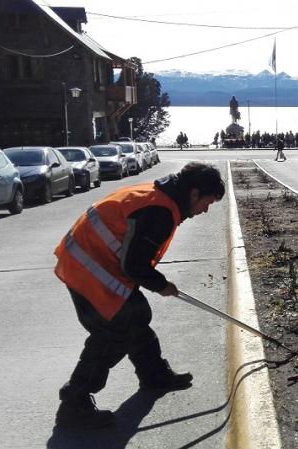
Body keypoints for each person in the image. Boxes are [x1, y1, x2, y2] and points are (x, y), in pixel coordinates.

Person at [52, 162, 226, 429]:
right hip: (86, 267)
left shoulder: (161, 197)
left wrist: (155, 283)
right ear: (194, 193)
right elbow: (134, 266)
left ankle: (154, 375)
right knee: (115, 330)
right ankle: (74, 402)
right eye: (208, 202)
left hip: (93, 262)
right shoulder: (159, 211)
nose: (205, 210)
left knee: (136, 313)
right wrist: (161, 284)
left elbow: (132, 260)